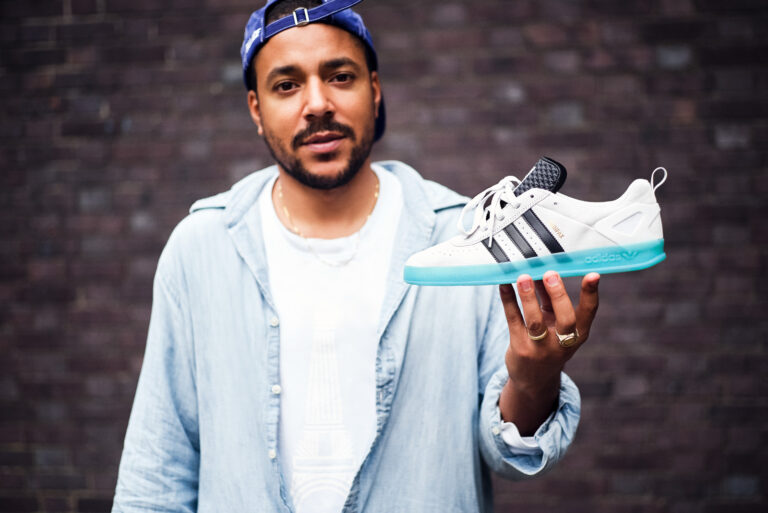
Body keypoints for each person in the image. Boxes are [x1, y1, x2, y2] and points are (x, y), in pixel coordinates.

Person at [112, 1, 600, 512]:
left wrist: (534, 378)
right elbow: (156, 479)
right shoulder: (200, 249)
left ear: (375, 88)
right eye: (287, 85)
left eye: (340, 77)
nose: (317, 104)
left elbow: (509, 454)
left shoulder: (466, 240)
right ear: (256, 109)